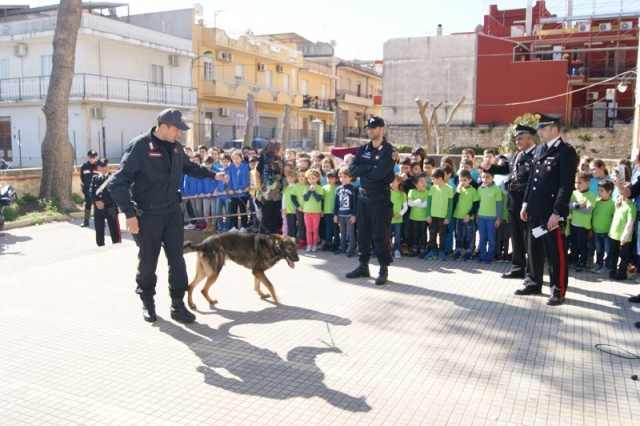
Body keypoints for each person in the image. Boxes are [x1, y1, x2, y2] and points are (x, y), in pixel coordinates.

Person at [109, 108, 226, 324]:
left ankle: (178, 305)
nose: (179, 133)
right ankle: (147, 302)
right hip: (148, 214)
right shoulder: (140, 147)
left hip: (172, 211)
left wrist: (213, 174)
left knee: (177, 260)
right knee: (148, 261)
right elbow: (118, 183)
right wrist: (129, 214)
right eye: (176, 129)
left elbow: (189, 167)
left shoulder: (176, 147)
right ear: (163, 127)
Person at [519, 113, 578, 306]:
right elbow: (532, 181)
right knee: (533, 248)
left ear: (554, 129)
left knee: (555, 252)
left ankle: (558, 290)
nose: (539, 133)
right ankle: (533, 282)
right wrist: (525, 203)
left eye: (542, 130)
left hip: (551, 212)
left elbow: (566, 185)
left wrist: (557, 212)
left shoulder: (565, 152)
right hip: (535, 209)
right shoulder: (538, 150)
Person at [345, 116, 396, 285]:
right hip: (363, 196)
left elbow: (378, 174)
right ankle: (363, 266)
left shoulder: (389, 151)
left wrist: (364, 170)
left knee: (379, 234)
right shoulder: (363, 149)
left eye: (373, 127)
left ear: (382, 129)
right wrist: (368, 167)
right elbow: (351, 169)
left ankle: (383, 269)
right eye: (368, 128)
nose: (370, 130)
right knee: (363, 233)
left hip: (379, 198)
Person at [482, 124, 537, 279]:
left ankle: (532, 271)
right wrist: (488, 167)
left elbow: (537, 180)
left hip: (527, 203)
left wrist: (521, 186)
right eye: (516, 139)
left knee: (529, 239)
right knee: (517, 238)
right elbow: (503, 168)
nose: (517, 141)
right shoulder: (517, 155)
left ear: (530, 138)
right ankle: (518, 267)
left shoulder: (536, 155)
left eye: (520, 138)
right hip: (513, 203)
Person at [90, 158, 121, 247]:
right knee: (99, 229)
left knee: (114, 229)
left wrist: (104, 202)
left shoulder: (113, 178)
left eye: (105, 166)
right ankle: (100, 246)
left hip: (110, 207)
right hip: (98, 208)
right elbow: (91, 192)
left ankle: (117, 246)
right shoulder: (95, 178)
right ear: (98, 168)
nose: (104, 168)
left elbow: (115, 192)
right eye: (101, 166)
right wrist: (97, 202)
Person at [569, 172, 596, 271]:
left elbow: (588, 210)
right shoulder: (574, 193)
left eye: (580, 183)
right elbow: (569, 205)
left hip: (583, 226)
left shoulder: (591, 196)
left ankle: (582, 261)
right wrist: (579, 205)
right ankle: (575, 260)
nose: (577, 185)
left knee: (582, 245)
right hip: (573, 224)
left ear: (587, 183)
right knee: (574, 244)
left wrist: (574, 205)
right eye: (576, 182)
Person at [424, 168, 453, 261]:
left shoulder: (449, 189)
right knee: (432, 234)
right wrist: (428, 214)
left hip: (443, 217)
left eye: (434, 179)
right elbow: (429, 202)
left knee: (442, 235)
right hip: (433, 216)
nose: (432, 181)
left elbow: (450, 204)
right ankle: (433, 251)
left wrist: (448, 217)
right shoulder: (432, 188)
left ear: (440, 178)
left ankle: (441, 251)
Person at [256, 140, 284, 234]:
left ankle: (273, 239)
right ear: (275, 149)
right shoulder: (263, 158)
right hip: (265, 192)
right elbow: (256, 175)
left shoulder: (280, 159)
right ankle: (261, 239)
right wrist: (259, 192)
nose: (282, 150)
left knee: (275, 217)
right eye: (280, 148)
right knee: (266, 217)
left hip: (277, 193)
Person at [452, 169, 479, 261]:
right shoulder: (458, 190)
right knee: (458, 235)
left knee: (469, 235)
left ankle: (468, 251)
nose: (462, 182)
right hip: (458, 216)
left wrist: (469, 214)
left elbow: (476, 205)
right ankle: (458, 250)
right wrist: (458, 191)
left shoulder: (473, 191)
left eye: (464, 180)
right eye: (460, 180)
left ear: (469, 180)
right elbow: (454, 201)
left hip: (469, 218)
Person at [476, 170, 502, 263]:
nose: (485, 179)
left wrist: (499, 218)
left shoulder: (496, 189)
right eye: (483, 177)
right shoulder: (480, 189)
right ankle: (483, 254)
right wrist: (477, 216)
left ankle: (490, 255)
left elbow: (499, 205)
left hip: (492, 218)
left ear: (493, 177)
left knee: (491, 238)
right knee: (482, 237)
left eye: (487, 177)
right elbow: (478, 203)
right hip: (481, 217)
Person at [334, 165, 357, 257]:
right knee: (342, 231)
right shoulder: (338, 188)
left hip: (349, 214)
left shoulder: (353, 189)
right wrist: (335, 214)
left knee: (351, 232)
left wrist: (354, 215)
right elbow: (336, 203)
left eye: (345, 177)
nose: (342, 179)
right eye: (341, 176)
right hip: (341, 214)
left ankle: (351, 249)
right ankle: (342, 247)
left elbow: (355, 203)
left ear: (351, 177)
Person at [407, 174, 429, 257]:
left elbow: (426, 204)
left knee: (423, 233)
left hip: (423, 218)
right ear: (416, 184)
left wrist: (415, 202)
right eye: (421, 182)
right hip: (414, 217)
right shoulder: (412, 191)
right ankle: (415, 249)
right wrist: (420, 200)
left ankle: (423, 249)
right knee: (415, 233)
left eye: (425, 182)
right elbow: (410, 204)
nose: (424, 183)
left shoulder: (427, 192)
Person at [302, 169, 324, 252]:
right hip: (307, 211)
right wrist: (310, 191)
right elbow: (305, 198)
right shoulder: (305, 188)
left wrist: (313, 191)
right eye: (309, 178)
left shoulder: (320, 188)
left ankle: (314, 244)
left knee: (315, 229)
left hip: (316, 212)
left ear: (317, 179)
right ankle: (309, 244)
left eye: (313, 178)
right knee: (308, 229)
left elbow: (318, 199)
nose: (311, 180)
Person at [80, 150, 99, 227]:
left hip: (97, 189)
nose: (92, 159)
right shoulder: (84, 166)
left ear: (96, 158)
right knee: (88, 204)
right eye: (91, 157)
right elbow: (82, 177)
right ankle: (86, 221)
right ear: (88, 157)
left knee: (97, 205)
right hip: (87, 188)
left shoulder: (98, 166)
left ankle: (99, 221)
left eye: (93, 157)